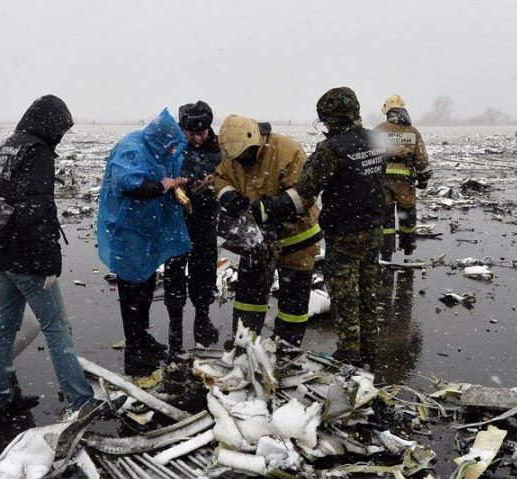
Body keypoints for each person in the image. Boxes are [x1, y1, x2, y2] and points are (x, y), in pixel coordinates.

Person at [0, 94, 96, 417]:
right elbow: (38, 210)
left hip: (4, 253)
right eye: (60, 128)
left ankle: (0, 396)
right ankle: (81, 401)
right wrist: (49, 261)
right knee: (57, 327)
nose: (60, 135)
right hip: (28, 257)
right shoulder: (38, 153)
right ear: (49, 124)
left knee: (5, 325)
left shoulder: (11, 145)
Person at [295, 87, 385, 368]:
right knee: (367, 292)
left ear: (330, 119)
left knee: (345, 295)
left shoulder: (332, 148)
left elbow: (307, 186)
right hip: (373, 227)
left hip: (345, 232)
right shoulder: (375, 138)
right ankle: (369, 350)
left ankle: (349, 355)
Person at [98, 109, 192, 376]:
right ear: (162, 138)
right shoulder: (133, 148)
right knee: (132, 293)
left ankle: (142, 338)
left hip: (143, 231)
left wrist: (173, 182)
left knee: (146, 286)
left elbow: (160, 175)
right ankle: (135, 350)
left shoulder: (154, 148)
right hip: (127, 231)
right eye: (171, 144)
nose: (173, 150)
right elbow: (128, 184)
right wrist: (161, 185)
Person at [215, 115, 321, 347]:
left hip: (296, 238)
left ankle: (286, 348)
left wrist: (267, 209)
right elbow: (221, 178)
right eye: (236, 158)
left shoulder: (287, 151)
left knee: (293, 302)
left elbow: (305, 193)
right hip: (256, 241)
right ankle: (244, 344)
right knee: (248, 297)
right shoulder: (233, 156)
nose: (241, 161)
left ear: (255, 141)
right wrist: (229, 195)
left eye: (244, 156)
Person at [163, 101, 221, 355]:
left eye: (202, 133)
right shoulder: (170, 146)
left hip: (205, 220)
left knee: (205, 269)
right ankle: (175, 322)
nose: (198, 138)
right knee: (174, 270)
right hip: (176, 220)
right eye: (192, 133)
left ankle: (202, 315)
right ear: (182, 129)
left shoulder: (219, 148)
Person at [373, 94, 431, 261]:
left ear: (387, 111)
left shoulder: (378, 130)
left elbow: (370, 154)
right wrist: (423, 177)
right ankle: (408, 248)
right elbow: (422, 158)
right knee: (407, 214)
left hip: (383, 180)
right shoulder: (412, 131)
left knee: (386, 217)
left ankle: (386, 252)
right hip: (405, 182)